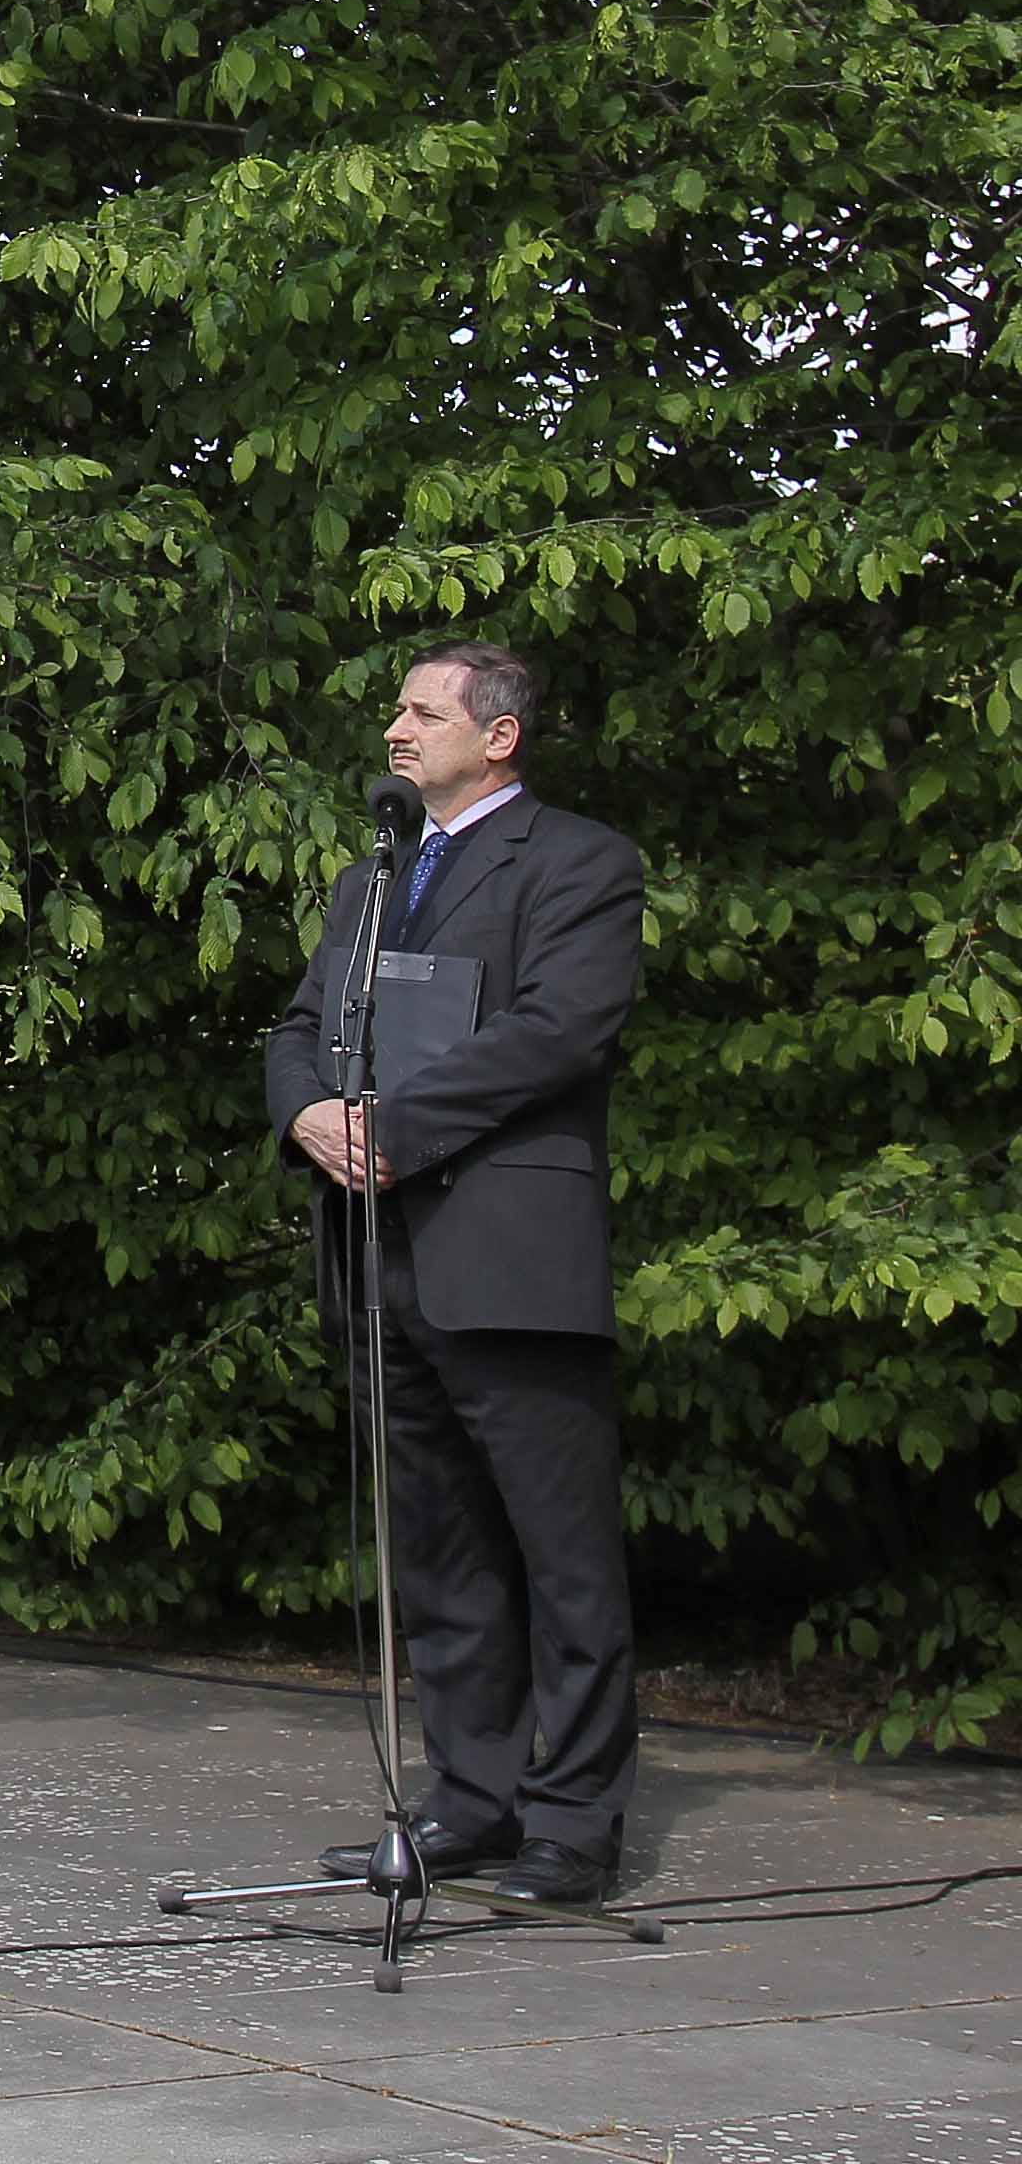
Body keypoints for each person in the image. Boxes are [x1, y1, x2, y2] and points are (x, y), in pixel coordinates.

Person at [267, 642, 646, 1906]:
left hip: (509, 1255)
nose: (396, 727)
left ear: (500, 737)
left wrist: (397, 1125)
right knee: (439, 1550)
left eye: (423, 710)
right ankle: (469, 1803)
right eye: (395, 709)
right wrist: (311, 1116)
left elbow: (561, 1030)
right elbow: (297, 1027)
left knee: (561, 1550)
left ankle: (575, 1824)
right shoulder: (368, 879)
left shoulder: (580, 861)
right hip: (384, 1255)